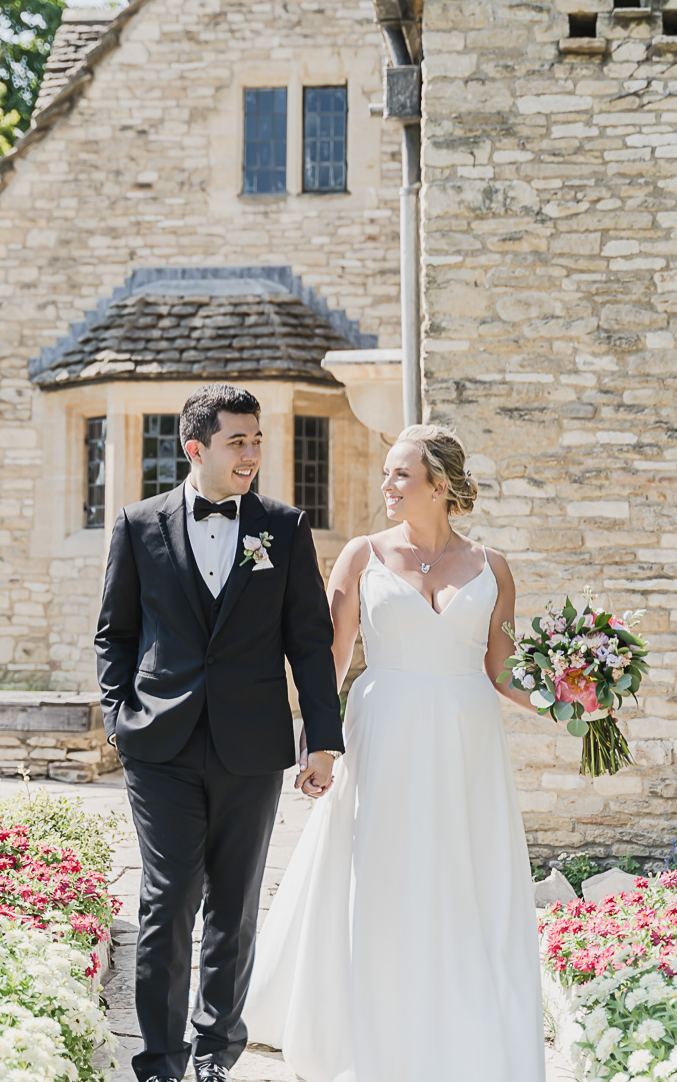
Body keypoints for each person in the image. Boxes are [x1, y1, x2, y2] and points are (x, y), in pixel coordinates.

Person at [245, 423, 546, 1082]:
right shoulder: (362, 556)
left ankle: (456, 1020)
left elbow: (504, 670)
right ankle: (370, 1025)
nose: (386, 485)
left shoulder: (493, 568)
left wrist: (570, 699)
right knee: (381, 870)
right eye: (387, 473)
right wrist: (319, 745)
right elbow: (330, 655)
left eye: (401, 474)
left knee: (462, 873)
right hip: (385, 733)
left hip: (468, 741)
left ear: (440, 485)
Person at [95, 383, 344, 1082]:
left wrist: (321, 738)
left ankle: (214, 1055)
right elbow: (114, 634)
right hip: (159, 746)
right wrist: (120, 719)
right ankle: (160, 1062)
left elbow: (309, 639)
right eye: (238, 440)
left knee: (234, 907)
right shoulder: (137, 525)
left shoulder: (285, 528)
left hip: (251, 745)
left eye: (258, 439)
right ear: (195, 447)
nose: (253, 453)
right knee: (166, 902)